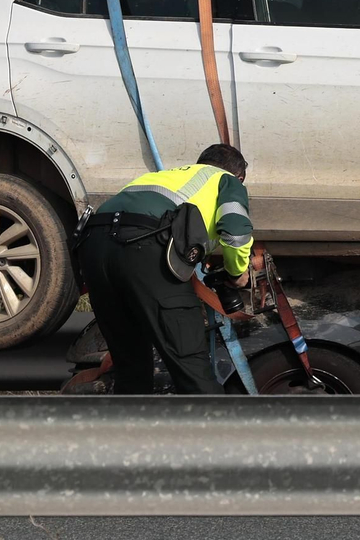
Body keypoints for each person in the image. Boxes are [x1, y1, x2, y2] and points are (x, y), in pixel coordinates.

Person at [77, 144, 255, 394]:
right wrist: (237, 273)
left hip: (93, 246)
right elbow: (236, 233)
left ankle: (132, 431)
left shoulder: (163, 178)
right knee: (192, 370)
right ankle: (215, 431)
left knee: (131, 371)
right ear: (239, 176)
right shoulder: (226, 180)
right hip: (142, 247)